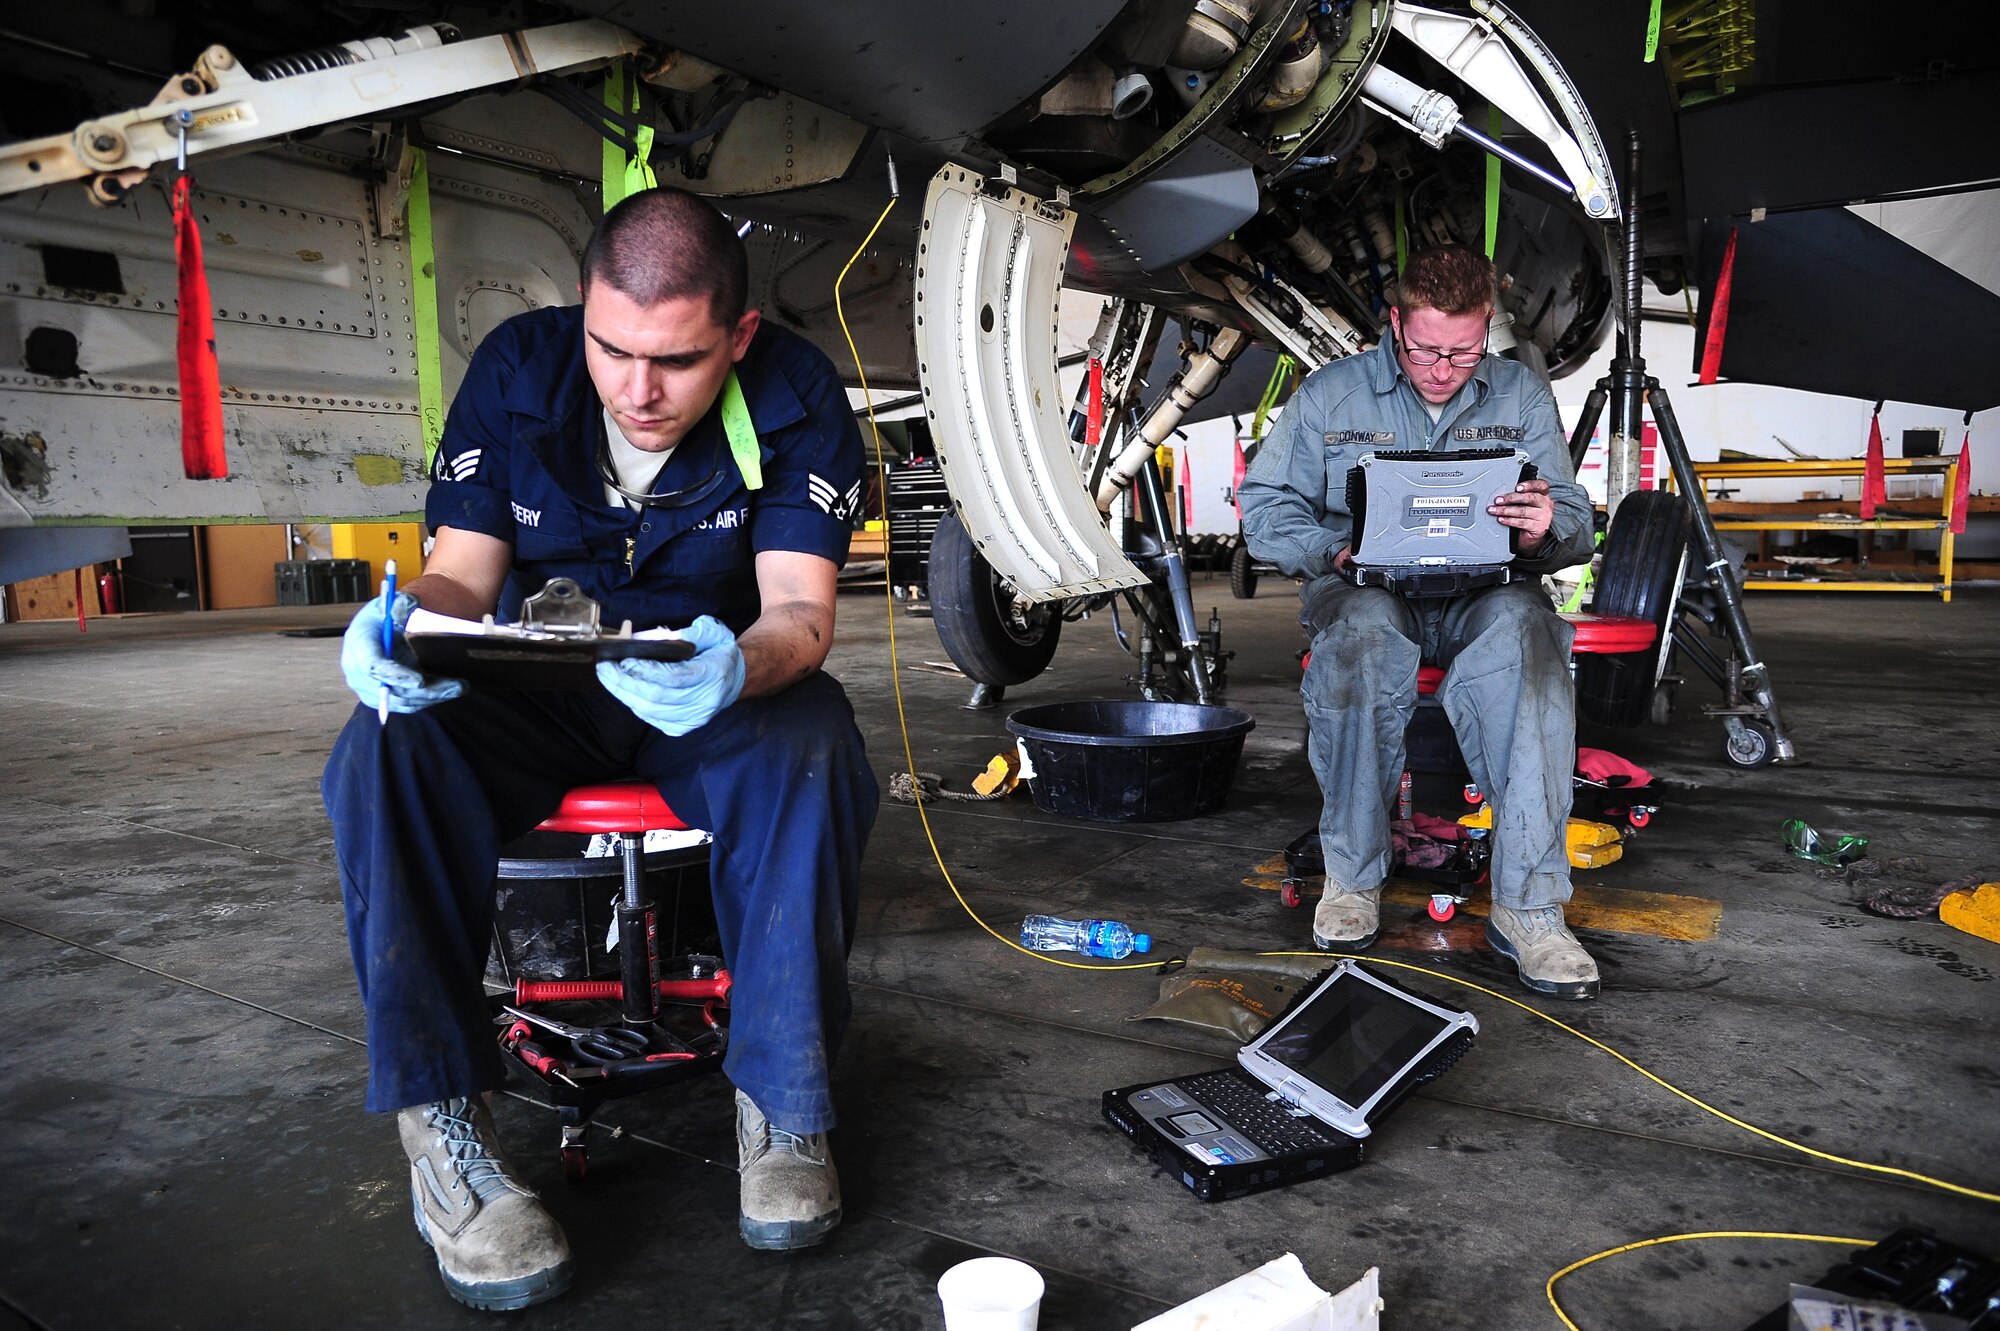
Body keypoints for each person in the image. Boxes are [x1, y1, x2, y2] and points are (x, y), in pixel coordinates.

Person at [321, 187, 880, 1311]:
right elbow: (463, 575)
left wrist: (736, 665)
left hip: (703, 685)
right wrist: (399, 623)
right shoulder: (518, 370)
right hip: (536, 689)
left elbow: (797, 616)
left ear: (738, 337)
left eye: (676, 361)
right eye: (611, 348)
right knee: (384, 748)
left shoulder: (800, 391)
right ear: (581, 311)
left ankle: (785, 1098)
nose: (637, 391)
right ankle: (444, 1138)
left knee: (814, 745)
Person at [1238, 244, 1599, 1000]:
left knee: (1534, 648)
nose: (1443, 368)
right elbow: (1266, 508)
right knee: (1361, 640)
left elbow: (1574, 518)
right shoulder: (1330, 398)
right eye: (1427, 348)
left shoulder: (1522, 397)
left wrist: (1544, 527)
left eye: (1464, 352)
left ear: (1486, 332)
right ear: (1395, 323)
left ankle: (1530, 911)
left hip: (1486, 593)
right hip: (1364, 587)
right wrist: (1330, 550)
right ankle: (1352, 878)